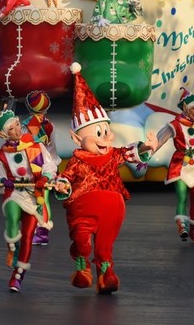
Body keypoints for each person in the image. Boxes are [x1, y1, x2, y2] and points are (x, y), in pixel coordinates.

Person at [52, 63, 155, 294]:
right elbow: (67, 178)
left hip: (111, 207)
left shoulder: (112, 154)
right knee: (82, 240)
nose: (105, 137)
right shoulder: (77, 160)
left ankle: (106, 274)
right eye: (98, 133)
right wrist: (62, 184)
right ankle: (82, 266)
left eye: (106, 131)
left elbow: (129, 152)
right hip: (83, 208)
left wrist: (146, 146)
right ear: (77, 139)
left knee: (105, 245)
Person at [0, 109, 58, 292]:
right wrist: (2, 182)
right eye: (12, 128)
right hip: (14, 194)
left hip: (33, 195)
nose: (18, 129)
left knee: (28, 236)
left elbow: (50, 166)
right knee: (11, 214)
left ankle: (18, 275)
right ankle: (12, 247)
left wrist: (45, 177)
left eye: (17, 124)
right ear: (4, 134)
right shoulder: (0, 155)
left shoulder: (36, 146)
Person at [152, 87, 194, 244]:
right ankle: (182, 226)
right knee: (182, 198)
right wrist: (147, 153)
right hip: (180, 164)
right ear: (185, 107)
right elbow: (159, 141)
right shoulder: (174, 124)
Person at [22, 90, 59, 246]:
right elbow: (52, 148)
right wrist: (53, 165)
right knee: (43, 200)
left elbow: (23, 146)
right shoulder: (49, 125)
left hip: (31, 165)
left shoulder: (25, 125)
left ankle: (36, 231)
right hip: (46, 164)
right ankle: (41, 233)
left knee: (31, 200)